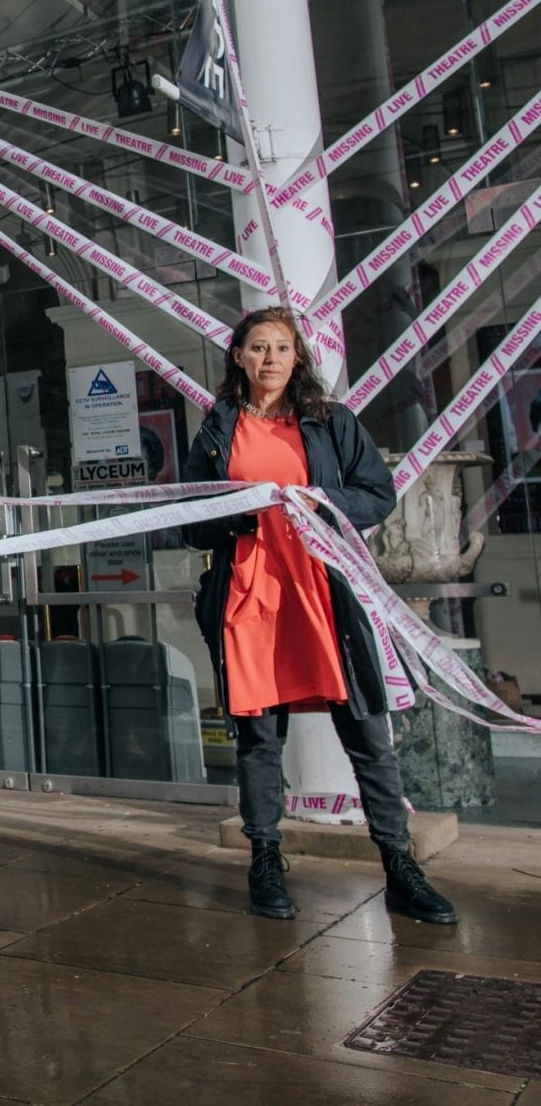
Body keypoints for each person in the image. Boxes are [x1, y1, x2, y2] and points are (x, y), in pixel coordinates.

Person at [183, 307, 455, 925]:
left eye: (281, 347)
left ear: (297, 356)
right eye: (257, 348)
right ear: (239, 359)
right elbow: (188, 518)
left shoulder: (331, 423)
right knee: (259, 739)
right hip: (250, 598)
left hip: (324, 594)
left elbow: (377, 493)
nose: (270, 359)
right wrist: (243, 512)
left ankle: (399, 867)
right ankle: (266, 860)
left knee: (366, 732)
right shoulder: (217, 430)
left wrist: (320, 502)